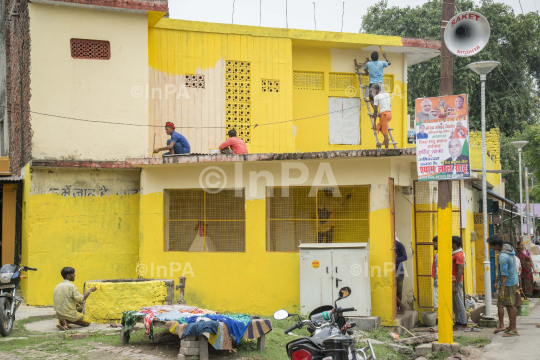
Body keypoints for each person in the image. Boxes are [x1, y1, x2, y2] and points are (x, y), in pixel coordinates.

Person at [487, 235, 519, 337]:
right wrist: (497, 281)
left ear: (497, 245)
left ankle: (513, 329)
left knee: (510, 305)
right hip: (512, 280)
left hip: (508, 283)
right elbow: (501, 271)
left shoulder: (503, 257)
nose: (490, 248)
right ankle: (511, 326)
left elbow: (504, 274)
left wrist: (502, 289)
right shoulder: (507, 249)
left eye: (491, 246)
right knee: (510, 304)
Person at [451, 236, 467, 330]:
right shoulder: (455, 253)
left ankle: (463, 322)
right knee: (455, 302)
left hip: (456, 281)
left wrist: (456, 286)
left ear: (455, 244)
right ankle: (458, 321)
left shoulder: (458, 255)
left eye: (451, 243)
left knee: (459, 302)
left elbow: (460, 270)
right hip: (454, 280)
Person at [372, 84, 392, 149]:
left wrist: (374, 122)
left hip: (384, 115)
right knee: (379, 127)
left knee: (386, 134)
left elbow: (375, 110)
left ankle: (387, 149)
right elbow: (390, 105)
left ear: (377, 90)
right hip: (389, 114)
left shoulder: (376, 97)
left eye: (373, 90)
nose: (373, 92)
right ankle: (385, 140)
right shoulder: (387, 94)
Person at [395, 236, 408, 314]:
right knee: (392, 290)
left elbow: (404, 257)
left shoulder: (399, 245)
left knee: (399, 290)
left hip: (399, 270)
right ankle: (400, 306)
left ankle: (399, 307)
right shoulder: (389, 246)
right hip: (390, 269)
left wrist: (394, 259)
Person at [432, 236, 438, 310]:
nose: (433, 245)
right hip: (437, 279)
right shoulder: (438, 253)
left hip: (438, 279)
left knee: (436, 297)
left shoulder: (439, 254)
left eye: (434, 243)